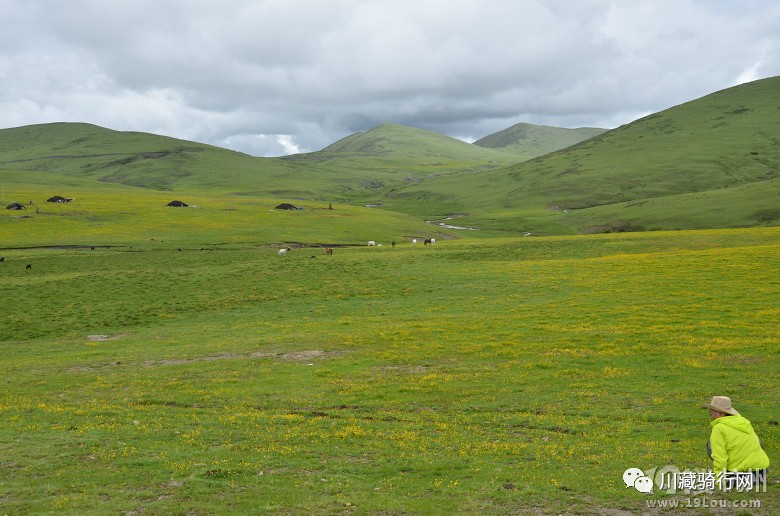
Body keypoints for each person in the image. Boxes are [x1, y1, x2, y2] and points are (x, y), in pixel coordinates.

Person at [702, 396, 770, 490]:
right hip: (761, 473)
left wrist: (719, 481)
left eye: (711, 412)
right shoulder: (744, 422)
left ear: (720, 413)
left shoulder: (719, 428)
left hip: (739, 476)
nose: (711, 416)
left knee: (710, 444)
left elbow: (720, 457)